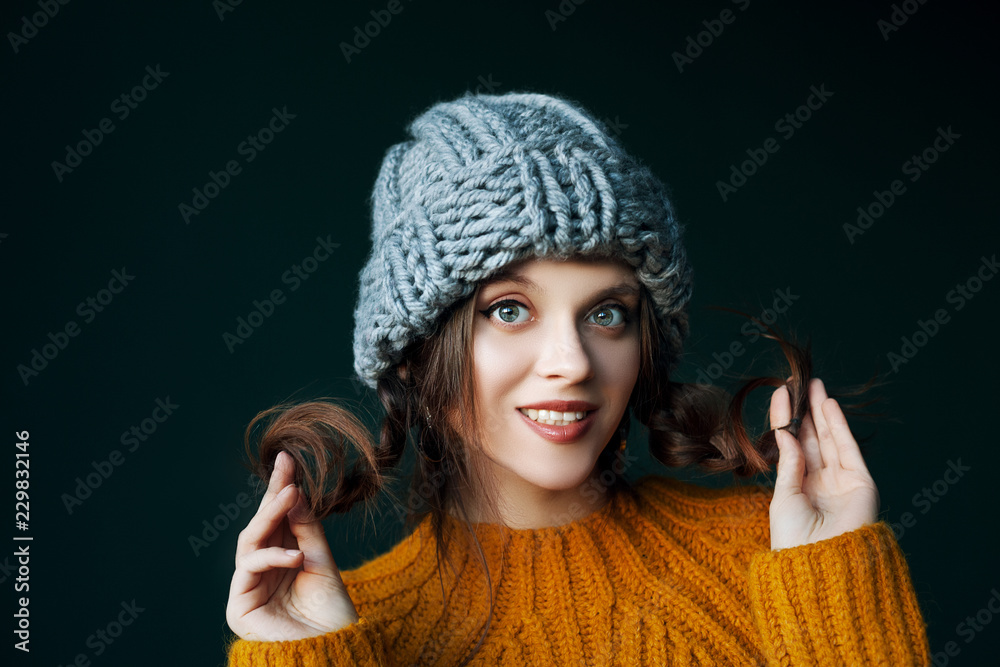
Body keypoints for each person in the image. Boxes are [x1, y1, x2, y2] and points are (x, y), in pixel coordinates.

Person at [224, 91, 931, 666]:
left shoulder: (774, 556)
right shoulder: (342, 634)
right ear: (412, 351)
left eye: (608, 314)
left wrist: (838, 593)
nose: (572, 360)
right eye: (508, 309)